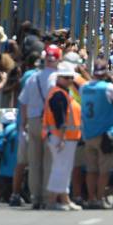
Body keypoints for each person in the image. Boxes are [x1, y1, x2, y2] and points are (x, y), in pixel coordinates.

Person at [17, 44, 61, 209]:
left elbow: (23, 102)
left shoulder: (33, 78)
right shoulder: (57, 78)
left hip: (33, 121)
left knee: (34, 162)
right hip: (50, 122)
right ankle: (47, 197)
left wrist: (23, 124)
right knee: (49, 160)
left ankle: (36, 197)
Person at [80, 58, 113, 210]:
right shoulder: (107, 87)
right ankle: (99, 199)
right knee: (104, 171)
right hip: (104, 134)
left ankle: (91, 198)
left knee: (91, 170)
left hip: (88, 133)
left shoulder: (84, 87)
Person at [42, 62, 83, 211]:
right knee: (60, 169)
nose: (70, 81)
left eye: (71, 78)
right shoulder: (59, 94)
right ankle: (52, 201)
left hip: (63, 137)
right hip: (61, 138)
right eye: (67, 78)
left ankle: (64, 199)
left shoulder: (60, 92)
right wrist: (63, 138)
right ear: (60, 78)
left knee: (63, 169)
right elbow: (61, 120)